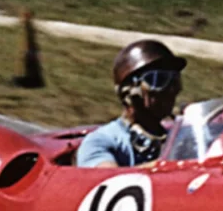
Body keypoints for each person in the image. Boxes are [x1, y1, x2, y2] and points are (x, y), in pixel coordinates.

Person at [76, 39, 188, 168]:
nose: (171, 89)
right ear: (129, 92)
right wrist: (167, 166)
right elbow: (108, 177)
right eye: (158, 79)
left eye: (175, 80)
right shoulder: (100, 141)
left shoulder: (178, 139)